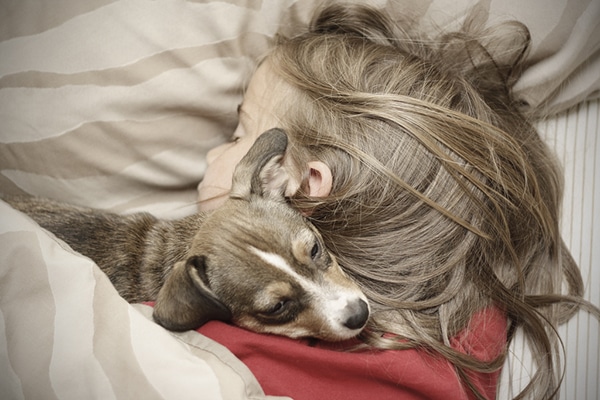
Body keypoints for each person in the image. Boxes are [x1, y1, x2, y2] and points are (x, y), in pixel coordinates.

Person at [195, 4, 598, 400]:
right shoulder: (471, 324)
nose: (212, 155)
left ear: (295, 182)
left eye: (237, 136)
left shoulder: (221, 335)